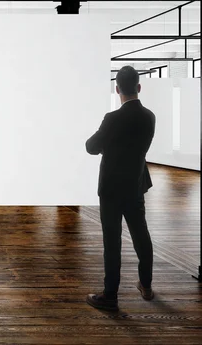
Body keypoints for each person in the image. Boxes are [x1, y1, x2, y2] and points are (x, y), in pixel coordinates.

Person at [85, 65, 156, 311]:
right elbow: (137, 147)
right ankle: (146, 285)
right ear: (138, 87)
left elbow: (91, 146)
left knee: (112, 242)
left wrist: (108, 147)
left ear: (117, 89)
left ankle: (110, 295)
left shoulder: (112, 118)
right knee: (141, 236)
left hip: (112, 188)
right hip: (136, 185)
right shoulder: (149, 117)